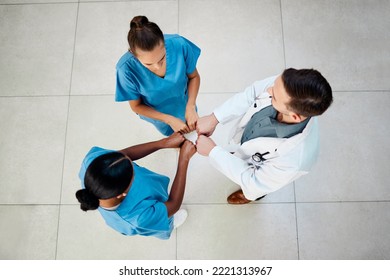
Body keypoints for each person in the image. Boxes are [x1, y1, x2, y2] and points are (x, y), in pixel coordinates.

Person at [196, 68, 333, 204]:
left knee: (255, 189)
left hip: (263, 178)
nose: (268, 90)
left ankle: (250, 197)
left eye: (274, 97)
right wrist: (215, 118)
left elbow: (254, 181)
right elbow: (252, 93)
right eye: (274, 84)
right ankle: (238, 153)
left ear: (294, 116)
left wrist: (213, 152)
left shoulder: (293, 160)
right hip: (247, 137)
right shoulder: (285, 86)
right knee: (237, 153)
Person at [75, 133, 196, 239]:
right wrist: (183, 159)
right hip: (150, 219)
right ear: (123, 193)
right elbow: (173, 204)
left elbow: (125, 154)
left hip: (150, 192)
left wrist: (163, 143)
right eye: (132, 172)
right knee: (163, 223)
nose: (132, 164)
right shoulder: (139, 218)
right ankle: (171, 223)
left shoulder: (91, 160)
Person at [115, 15, 201, 136]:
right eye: (148, 64)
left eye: (162, 59)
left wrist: (191, 105)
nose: (157, 67)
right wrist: (168, 119)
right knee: (172, 135)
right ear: (133, 54)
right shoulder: (125, 70)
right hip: (157, 114)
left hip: (184, 100)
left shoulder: (179, 45)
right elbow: (136, 106)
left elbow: (194, 77)